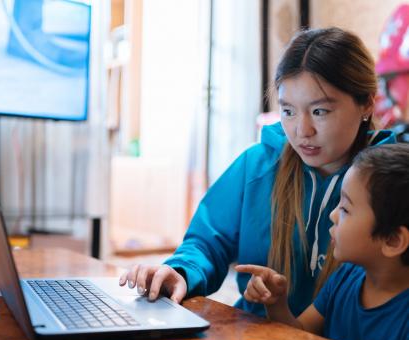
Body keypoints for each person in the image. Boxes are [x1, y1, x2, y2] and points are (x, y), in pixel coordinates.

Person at [119, 27, 395, 318]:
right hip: (258, 339)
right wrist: (181, 272)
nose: (302, 131)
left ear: (366, 103)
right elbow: (206, 243)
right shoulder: (257, 165)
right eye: (288, 111)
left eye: (319, 112)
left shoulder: (393, 182)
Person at [237, 144, 409, 340]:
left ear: (393, 240)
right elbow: (300, 338)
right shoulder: (347, 276)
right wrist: (277, 304)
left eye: (345, 209)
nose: (332, 215)